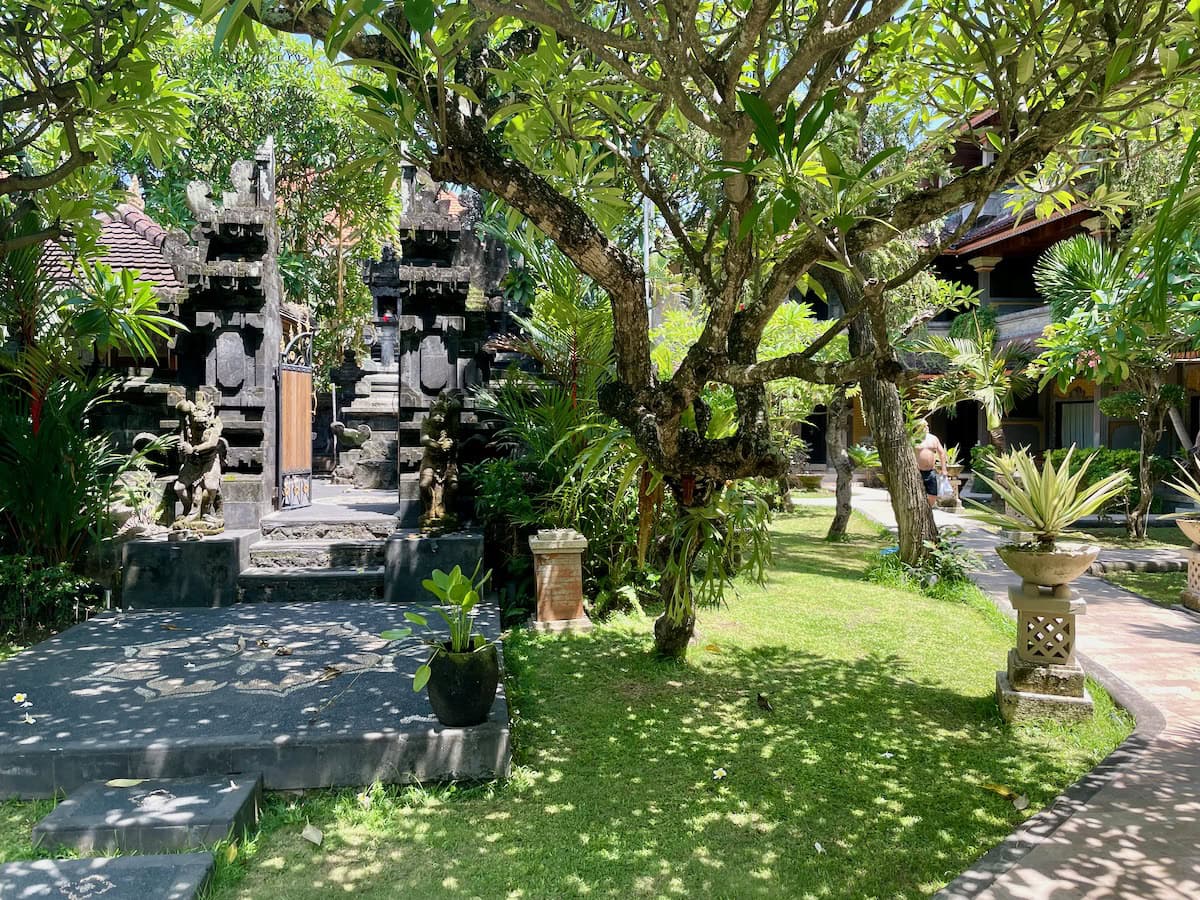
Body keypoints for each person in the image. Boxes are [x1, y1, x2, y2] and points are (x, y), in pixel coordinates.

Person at [914, 418, 949, 508]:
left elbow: (942, 453)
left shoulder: (933, 438)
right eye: (923, 426)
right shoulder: (914, 439)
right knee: (916, 495)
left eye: (927, 426)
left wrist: (944, 469)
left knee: (933, 495)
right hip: (917, 472)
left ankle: (927, 511)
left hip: (930, 471)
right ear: (918, 428)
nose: (926, 428)